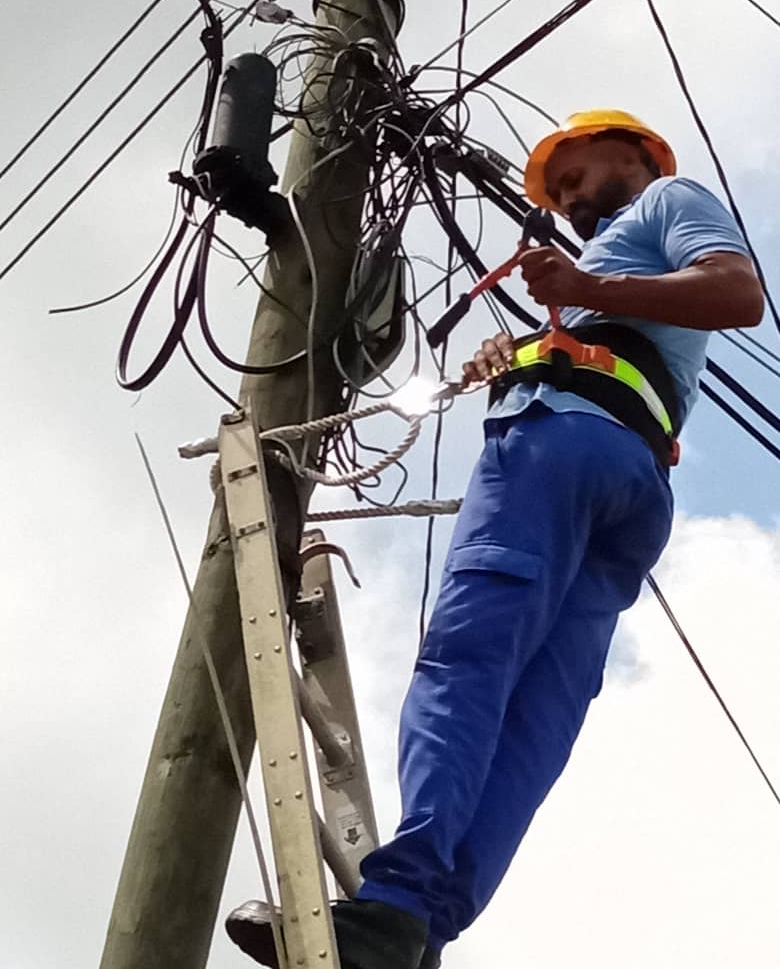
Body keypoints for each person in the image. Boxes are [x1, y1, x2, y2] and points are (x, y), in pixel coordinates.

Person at [228, 110, 764, 969]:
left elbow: (739, 295)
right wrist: (520, 349)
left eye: (579, 178)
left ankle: (398, 907)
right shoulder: (609, 269)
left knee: (468, 661)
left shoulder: (667, 200)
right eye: (561, 195)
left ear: (632, 151)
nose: (573, 202)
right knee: (536, 718)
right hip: (631, 479)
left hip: (560, 449)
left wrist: (581, 297)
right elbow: (622, 334)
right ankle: (419, 931)